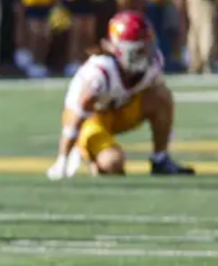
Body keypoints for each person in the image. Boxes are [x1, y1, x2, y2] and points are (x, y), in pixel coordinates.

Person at [47, 11, 195, 179]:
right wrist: (64, 157)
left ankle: (160, 159)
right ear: (118, 50)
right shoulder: (100, 73)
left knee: (160, 95)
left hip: (119, 110)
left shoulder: (152, 64)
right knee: (114, 163)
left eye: (147, 47)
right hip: (90, 119)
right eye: (139, 50)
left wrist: (166, 130)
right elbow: (77, 115)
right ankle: (93, 158)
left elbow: (161, 101)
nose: (146, 55)